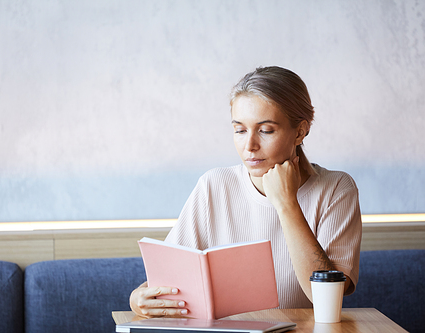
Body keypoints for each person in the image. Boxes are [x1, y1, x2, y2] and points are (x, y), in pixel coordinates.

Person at [130, 66, 362, 318]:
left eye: (266, 130)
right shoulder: (214, 185)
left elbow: (328, 299)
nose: (249, 146)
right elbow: (168, 280)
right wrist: (137, 299)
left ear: (300, 131)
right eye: (240, 130)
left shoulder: (336, 188)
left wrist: (286, 204)